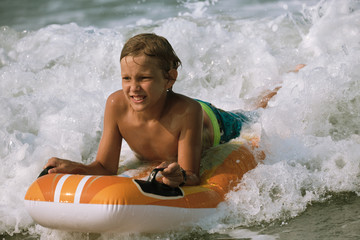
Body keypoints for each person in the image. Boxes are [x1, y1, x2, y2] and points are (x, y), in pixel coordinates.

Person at [44, 33, 303, 187]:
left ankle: (285, 81)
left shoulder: (185, 112)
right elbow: (104, 167)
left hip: (215, 121)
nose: (133, 88)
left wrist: (180, 176)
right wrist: (77, 168)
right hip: (176, 106)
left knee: (253, 112)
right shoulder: (115, 106)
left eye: (143, 78)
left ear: (169, 79)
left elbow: (191, 175)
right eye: (126, 78)